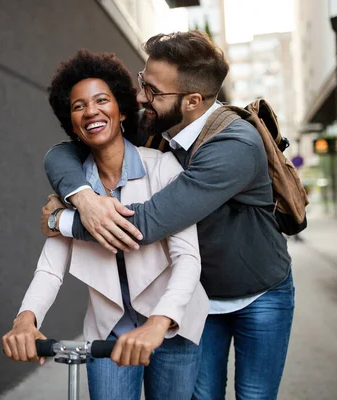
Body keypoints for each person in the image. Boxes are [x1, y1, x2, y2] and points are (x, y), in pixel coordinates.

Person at [41, 31, 295, 400]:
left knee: (254, 395)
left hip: (260, 293)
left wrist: (61, 222)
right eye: (144, 82)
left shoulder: (235, 146)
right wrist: (83, 196)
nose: (142, 96)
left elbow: (145, 224)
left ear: (192, 100)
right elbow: (65, 152)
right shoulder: (156, 124)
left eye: (153, 91)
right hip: (200, 293)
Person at [2, 50, 209, 400]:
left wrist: (159, 323)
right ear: (71, 122)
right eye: (78, 106)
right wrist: (25, 320)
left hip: (171, 325)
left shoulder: (162, 168)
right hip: (108, 332)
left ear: (122, 110)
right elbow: (51, 270)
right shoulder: (73, 189)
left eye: (101, 100)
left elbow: (187, 258)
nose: (91, 111)